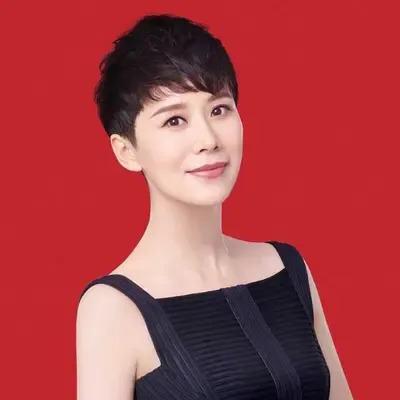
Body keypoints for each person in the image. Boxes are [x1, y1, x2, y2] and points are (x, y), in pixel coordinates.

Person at [76, 13, 353, 400]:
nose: (208, 139)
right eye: (174, 120)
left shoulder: (288, 268)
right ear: (126, 151)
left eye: (219, 110)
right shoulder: (113, 308)